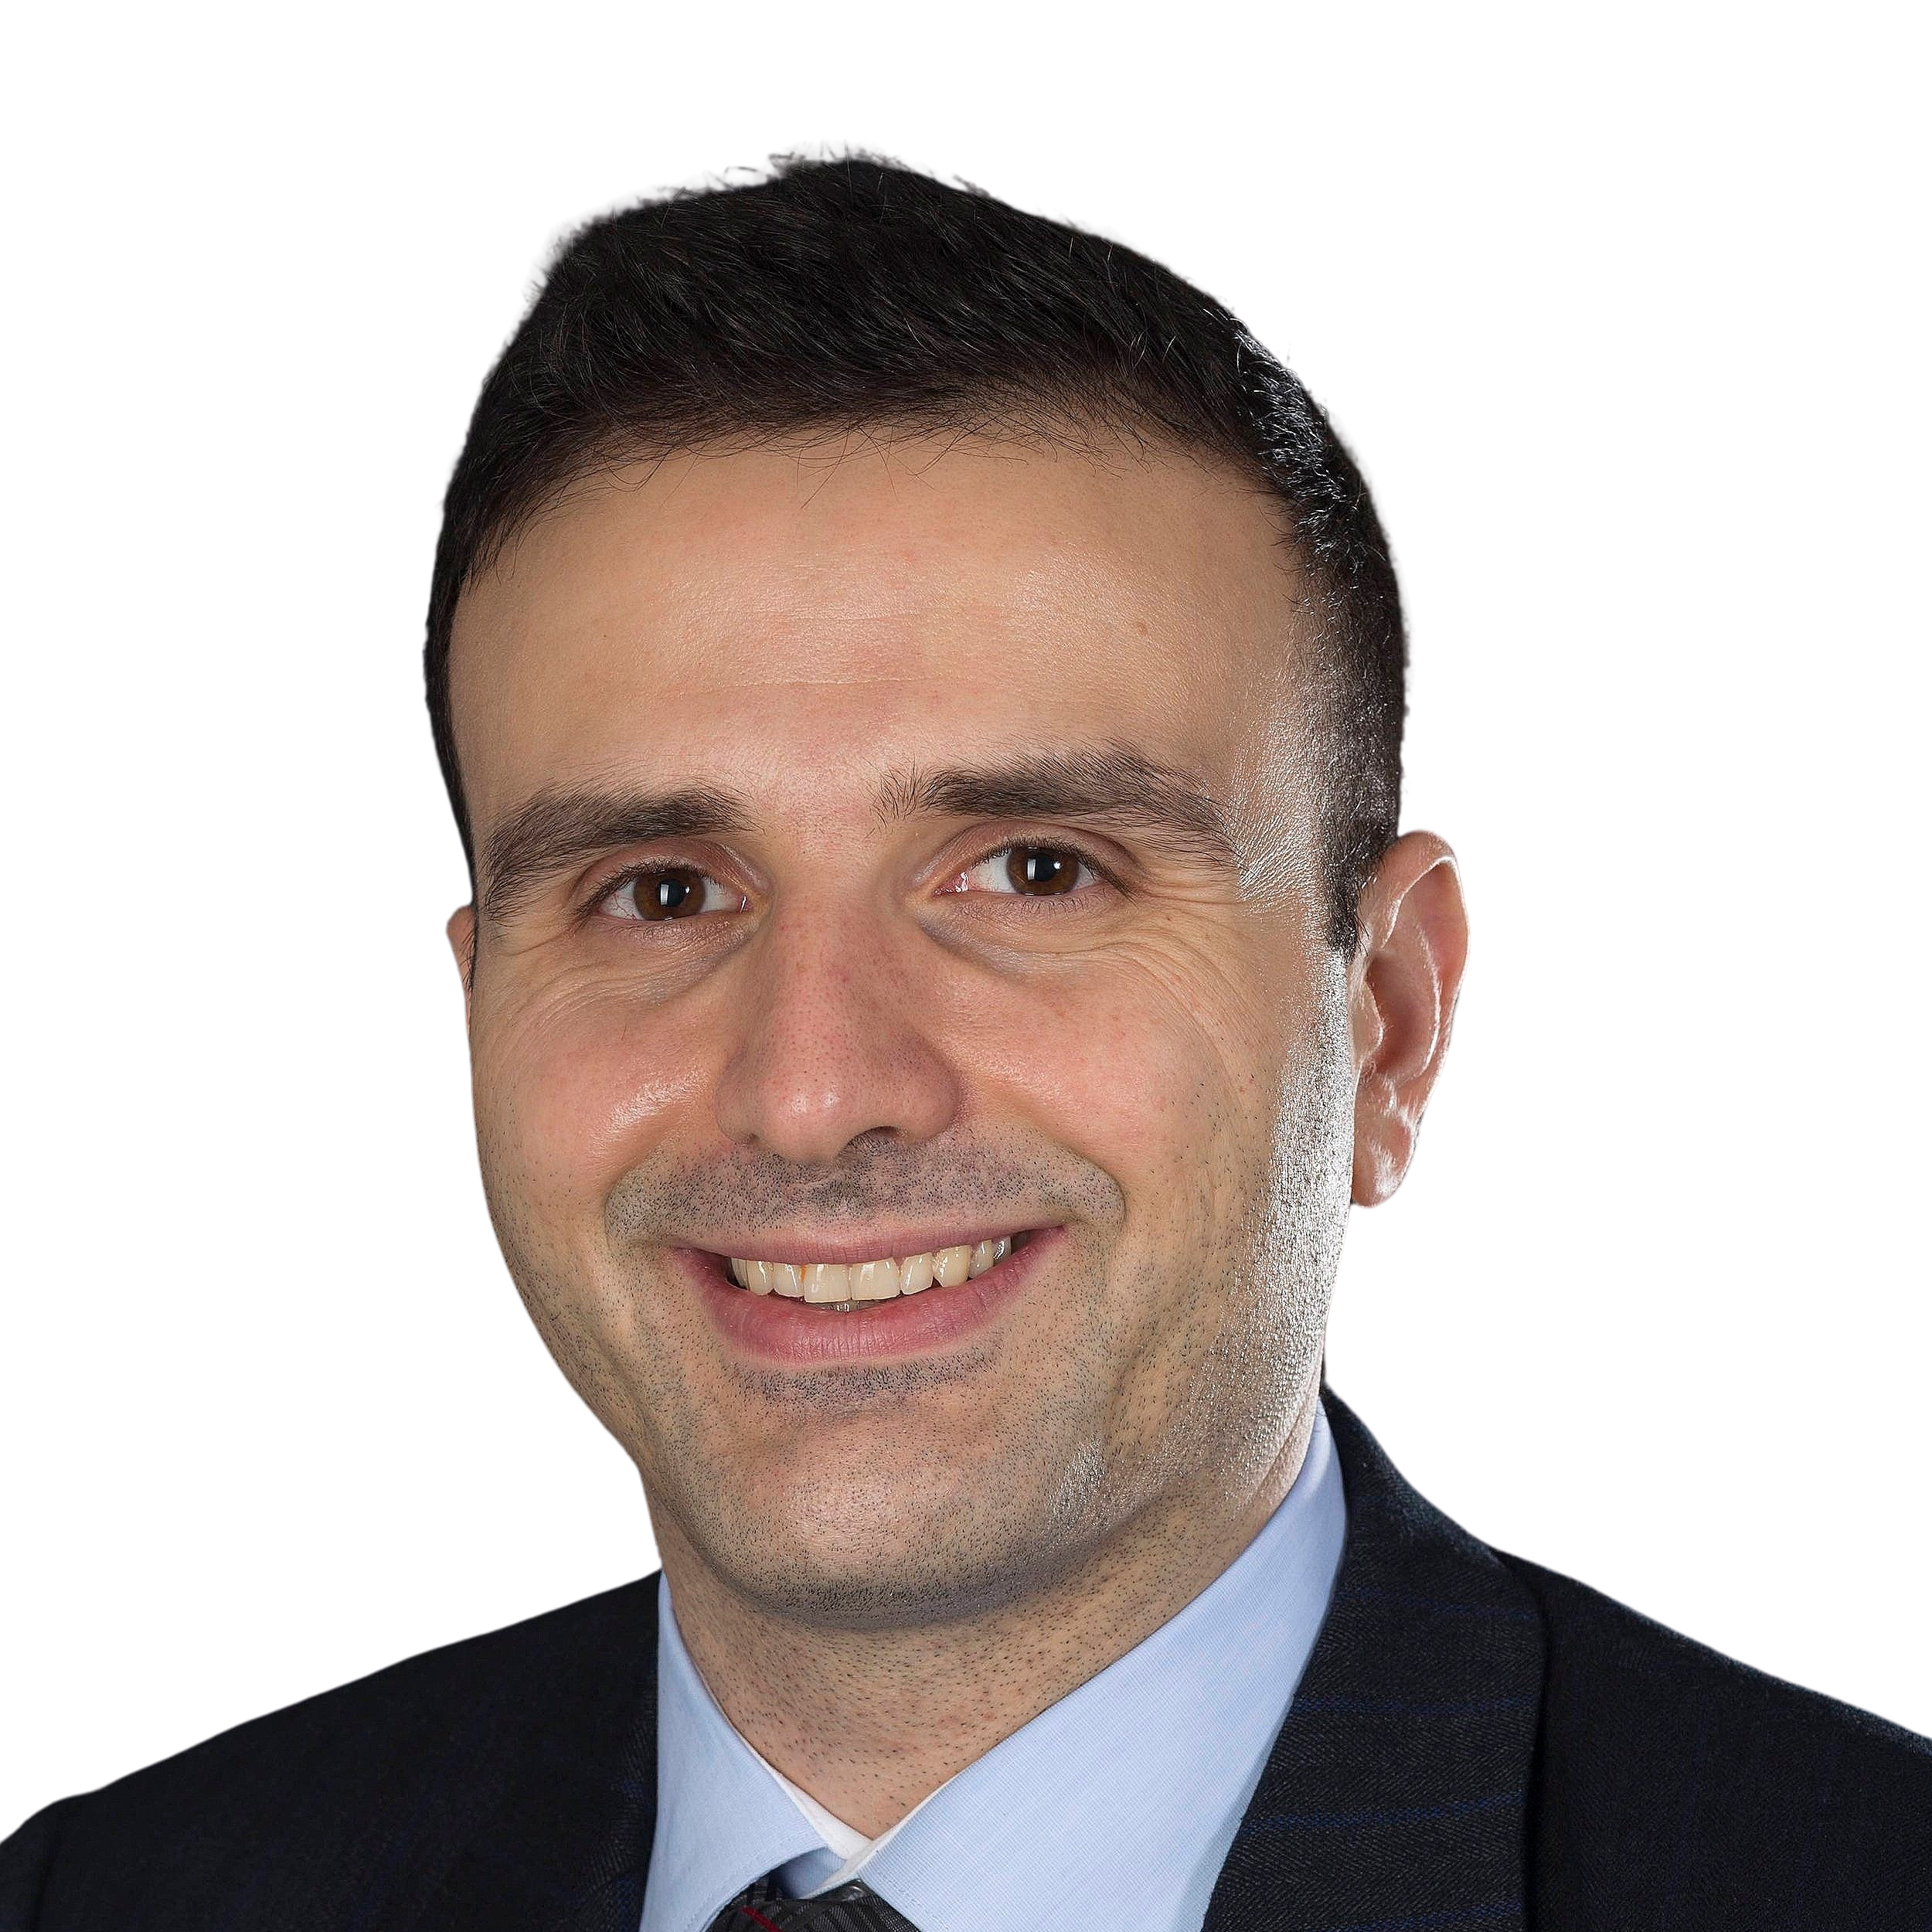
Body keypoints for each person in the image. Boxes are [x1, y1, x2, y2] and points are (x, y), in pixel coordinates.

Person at [5, 139, 1925, 1932]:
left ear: (1393, 1017)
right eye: (661, 891)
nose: (816, 1087)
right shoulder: (126, 1888)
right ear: (478, 1011)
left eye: (1031, 869)